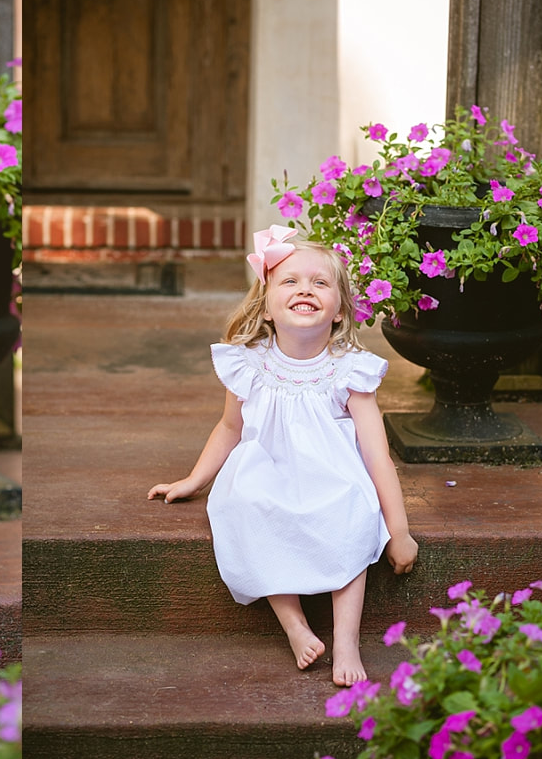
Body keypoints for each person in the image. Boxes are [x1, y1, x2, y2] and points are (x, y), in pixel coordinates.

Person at [147, 225, 418, 687]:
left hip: (332, 477)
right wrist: (194, 481)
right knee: (244, 504)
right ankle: (293, 623)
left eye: (320, 283)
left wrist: (400, 531)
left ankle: (346, 639)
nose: (305, 290)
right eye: (289, 281)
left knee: (352, 512)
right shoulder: (249, 364)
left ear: (338, 313)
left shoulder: (348, 370)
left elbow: (377, 457)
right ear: (268, 307)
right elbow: (230, 428)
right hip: (267, 472)